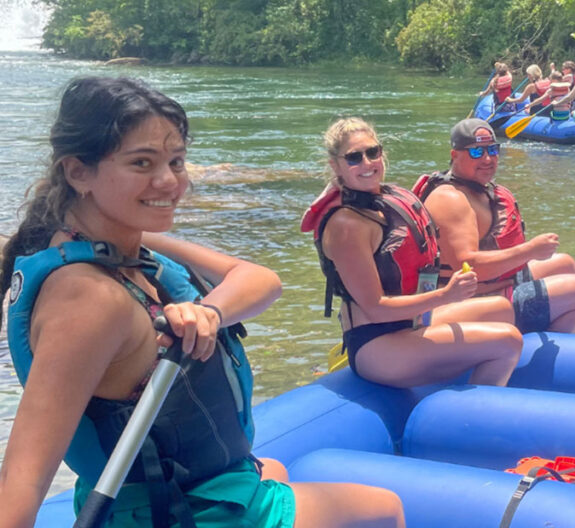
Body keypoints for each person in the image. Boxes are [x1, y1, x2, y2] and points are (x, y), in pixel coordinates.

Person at [0, 77, 405, 527]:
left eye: (176, 161)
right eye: (142, 163)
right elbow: (24, 477)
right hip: (178, 513)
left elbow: (261, 280)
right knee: (383, 510)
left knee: (274, 469)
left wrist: (210, 310)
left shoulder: (121, 246)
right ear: (78, 172)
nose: (169, 181)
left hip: (183, 491)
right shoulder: (88, 298)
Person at [301, 117, 522, 388]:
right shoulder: (348, 226)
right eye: (354, 158)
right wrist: (445, 295)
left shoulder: (383, 199)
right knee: (507, 341)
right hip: (377, 344)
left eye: (373, 152)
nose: (368, 163)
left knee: (501, 308)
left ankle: (463, 384)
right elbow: (375, 308)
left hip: (411, 323)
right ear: (336, 165)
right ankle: (471, 423)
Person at [415, 119, 575, 335]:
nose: (488, 159)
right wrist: (530, 251)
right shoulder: (450, 200)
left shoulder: (475, 189)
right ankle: (558, 363)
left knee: (564, 263)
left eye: (493, 149)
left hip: (495, 285)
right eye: (476, 152)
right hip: (465, 302)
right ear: (455, 155)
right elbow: (468, 266)